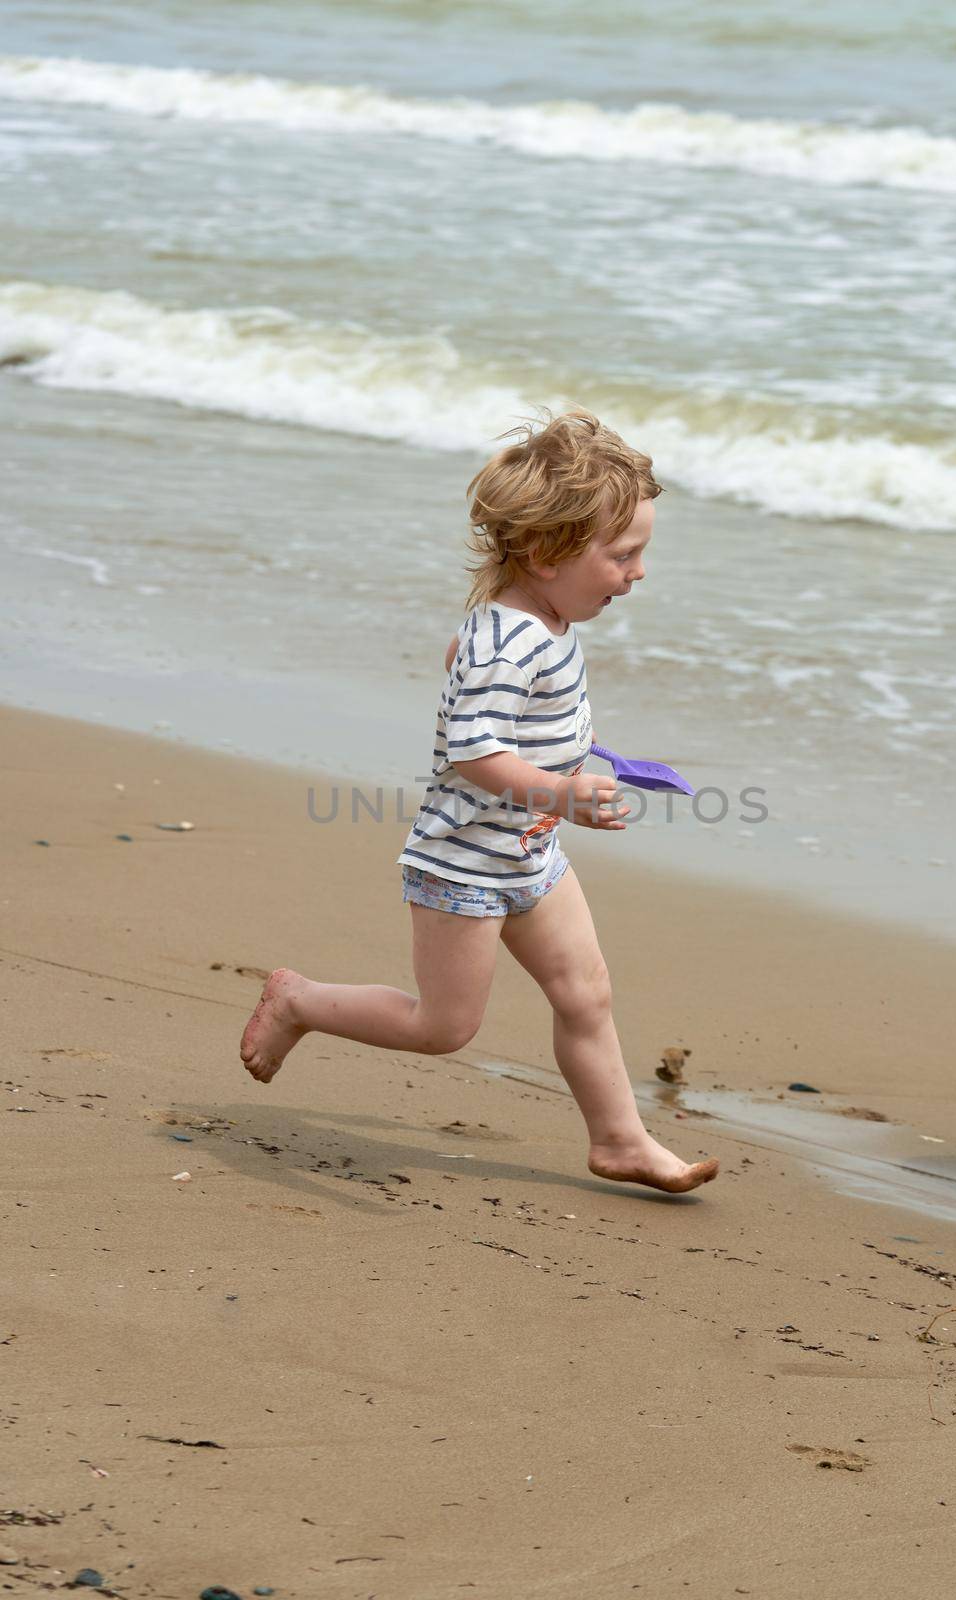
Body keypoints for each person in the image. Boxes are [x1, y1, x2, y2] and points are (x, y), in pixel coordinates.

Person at [240, 408, 719, 1194]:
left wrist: (577, 758)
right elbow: (474, 749)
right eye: (623, 554)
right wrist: (563, 790)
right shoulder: (513, 636)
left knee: (585, 993)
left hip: (528, 852)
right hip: (463, 862)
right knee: (443, 1028)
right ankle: (298, 1001)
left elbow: (497, 703)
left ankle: (620, 1139)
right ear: (543, 552)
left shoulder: (539, 621)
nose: (638, 572)